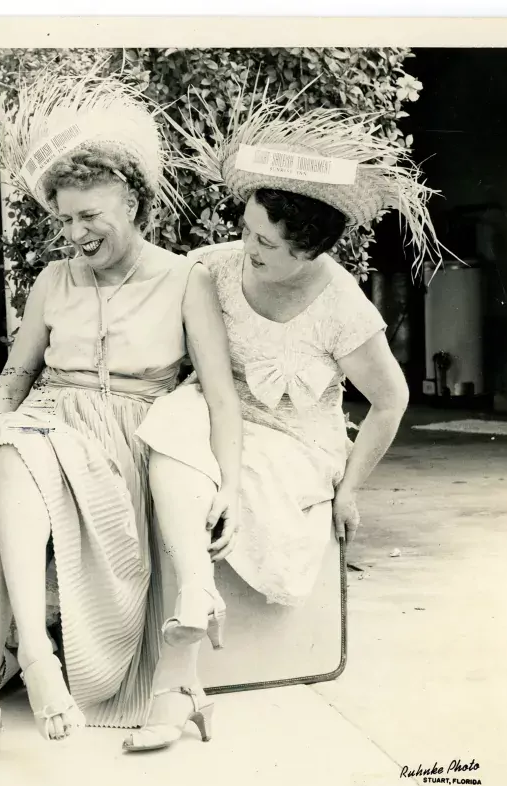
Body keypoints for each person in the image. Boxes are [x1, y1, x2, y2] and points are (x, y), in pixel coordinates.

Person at [0, 71, 243, 778]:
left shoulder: (184, 280)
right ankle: (24, 670)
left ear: (132, 203)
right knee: (5, 456)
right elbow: (17, 378)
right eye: (65, 221)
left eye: (90, 218)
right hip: (45, 428)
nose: (75, 235)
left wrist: (225, 480)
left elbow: (221, 397)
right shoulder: (53, 279)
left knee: (14, 458)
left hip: (123, 445)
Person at [126, 96, 446, 750]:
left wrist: (351, 487)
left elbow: (390, 400)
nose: (247, 248)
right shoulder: (215, 267)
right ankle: (193, 602)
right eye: (245, 230)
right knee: (168, 431)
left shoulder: (342, 308)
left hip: (297, 437)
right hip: (215, 407)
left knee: (227, 472)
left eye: (265, 243)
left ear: (308, 248)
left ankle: (177, 683)